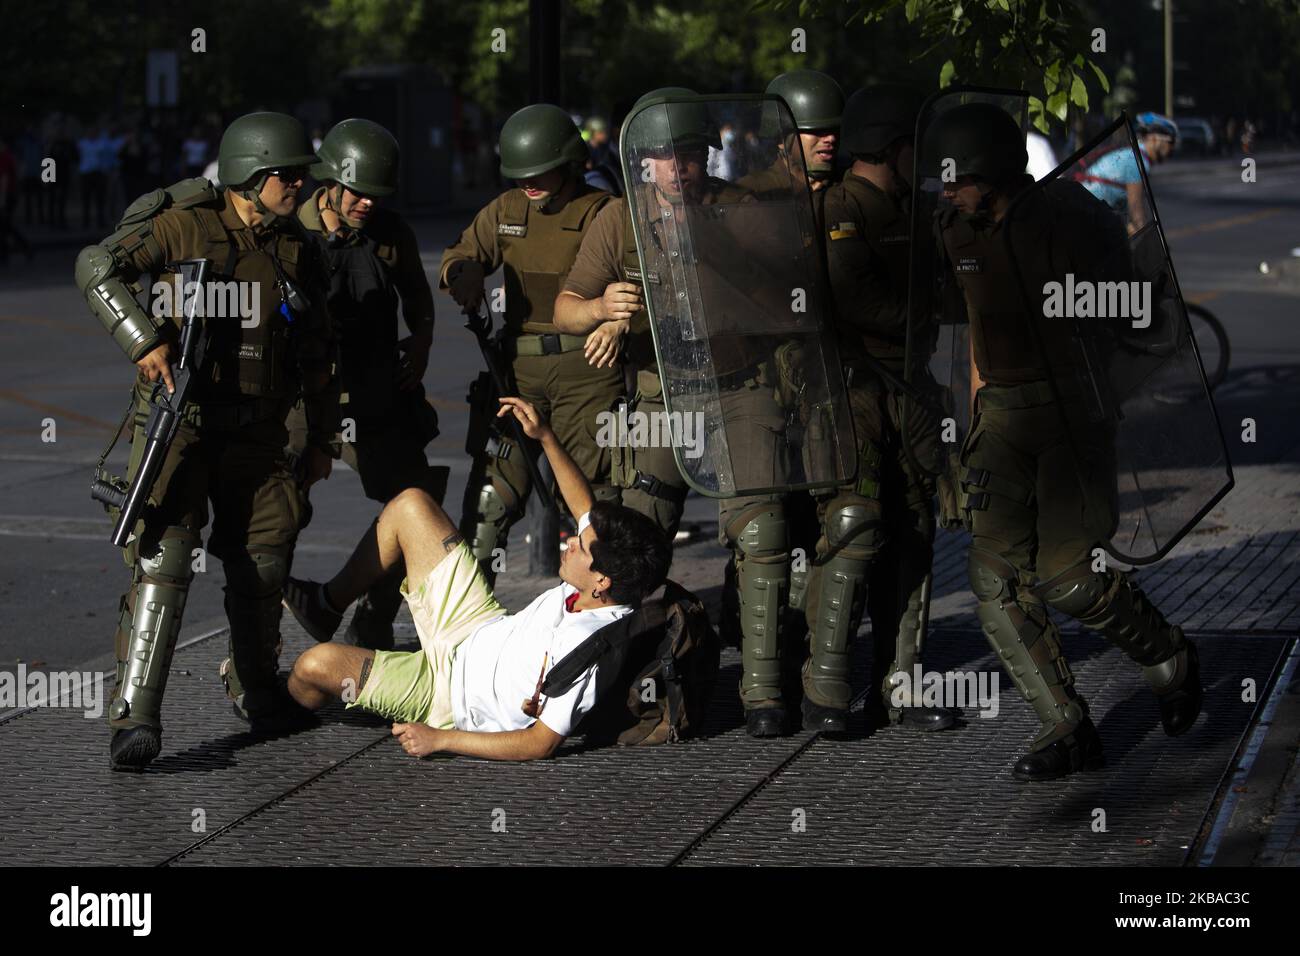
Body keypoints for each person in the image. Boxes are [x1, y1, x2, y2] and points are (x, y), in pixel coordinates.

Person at [929, 102, 1201, 780]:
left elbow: (1132, 315)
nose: (948, 193)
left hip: (1070, 413)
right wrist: (973, 418)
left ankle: (1167, 655)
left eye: (958, 179)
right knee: (991, 577)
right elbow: (968, 324)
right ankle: (1065, 726)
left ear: (992, 170)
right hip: (1000, 416)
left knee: (1069, 575)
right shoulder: (954, 231)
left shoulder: (1074, 219)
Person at [74, 111, 340, 770]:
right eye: (290, 176)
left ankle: (257, 692)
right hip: (181, 422)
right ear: (254, 176)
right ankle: (136, 714)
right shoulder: (184, 220)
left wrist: (319, 439)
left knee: (264, 561)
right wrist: (144, 340)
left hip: (258, 431)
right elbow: (96, 266)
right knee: (164, 562)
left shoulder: (296, 246)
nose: (300, 187)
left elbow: (314, 354)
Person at [283, 397, 672, 762]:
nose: (570, 540)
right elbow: (583, 506)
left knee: (313, 667)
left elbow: (540, 742)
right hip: (474, 624)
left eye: (580, 546)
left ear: (601, 581)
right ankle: (326, 604)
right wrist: (545, 437)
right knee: (411, 505)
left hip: (446, 696)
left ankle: (284, 708)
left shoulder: (589, 648)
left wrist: (440, 738)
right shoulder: (606, 580)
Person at [807, 85, 958, 733]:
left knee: (915, 535)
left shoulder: (922, 212)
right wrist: (923, 316)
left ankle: (902, 685)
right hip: (850, 393)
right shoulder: (839, 209)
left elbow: (955, 286)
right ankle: (827, 688)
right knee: (852, 530)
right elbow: (852, 298)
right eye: (911, 146)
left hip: (914, 394)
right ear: (891, 147)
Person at [440, 104, 618, 584]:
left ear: (567, 163)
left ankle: (593, 619)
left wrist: (615, 321)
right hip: (516, 371)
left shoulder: (603, 212)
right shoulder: (507, 209)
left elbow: (638, 282)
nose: (529, 183)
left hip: (587, 374)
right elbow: (459, 255)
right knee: (489, 502)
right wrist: (463, 273)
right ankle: (466, 632)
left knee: (590, 505)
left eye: (539, 172)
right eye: (520, 174)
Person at [288, 117, 446, 651]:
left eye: (378, 194)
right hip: (305, 398)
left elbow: (419, 300)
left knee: (417, 503)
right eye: (358, 192)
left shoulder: (391, 233)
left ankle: (362, 617)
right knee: (277, 517)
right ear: (329, 182)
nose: (368, 204)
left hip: (376, 392)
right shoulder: (293, 232)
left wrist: (421, 342)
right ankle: (256, 659)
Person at [1077, 111, 1176, 233]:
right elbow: (1136, 211)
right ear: (1154, 139)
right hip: (1083, 216)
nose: (1173, 148)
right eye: (1171, 142)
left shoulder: (1132, 154)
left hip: (1087, 212)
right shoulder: (1137, 161)